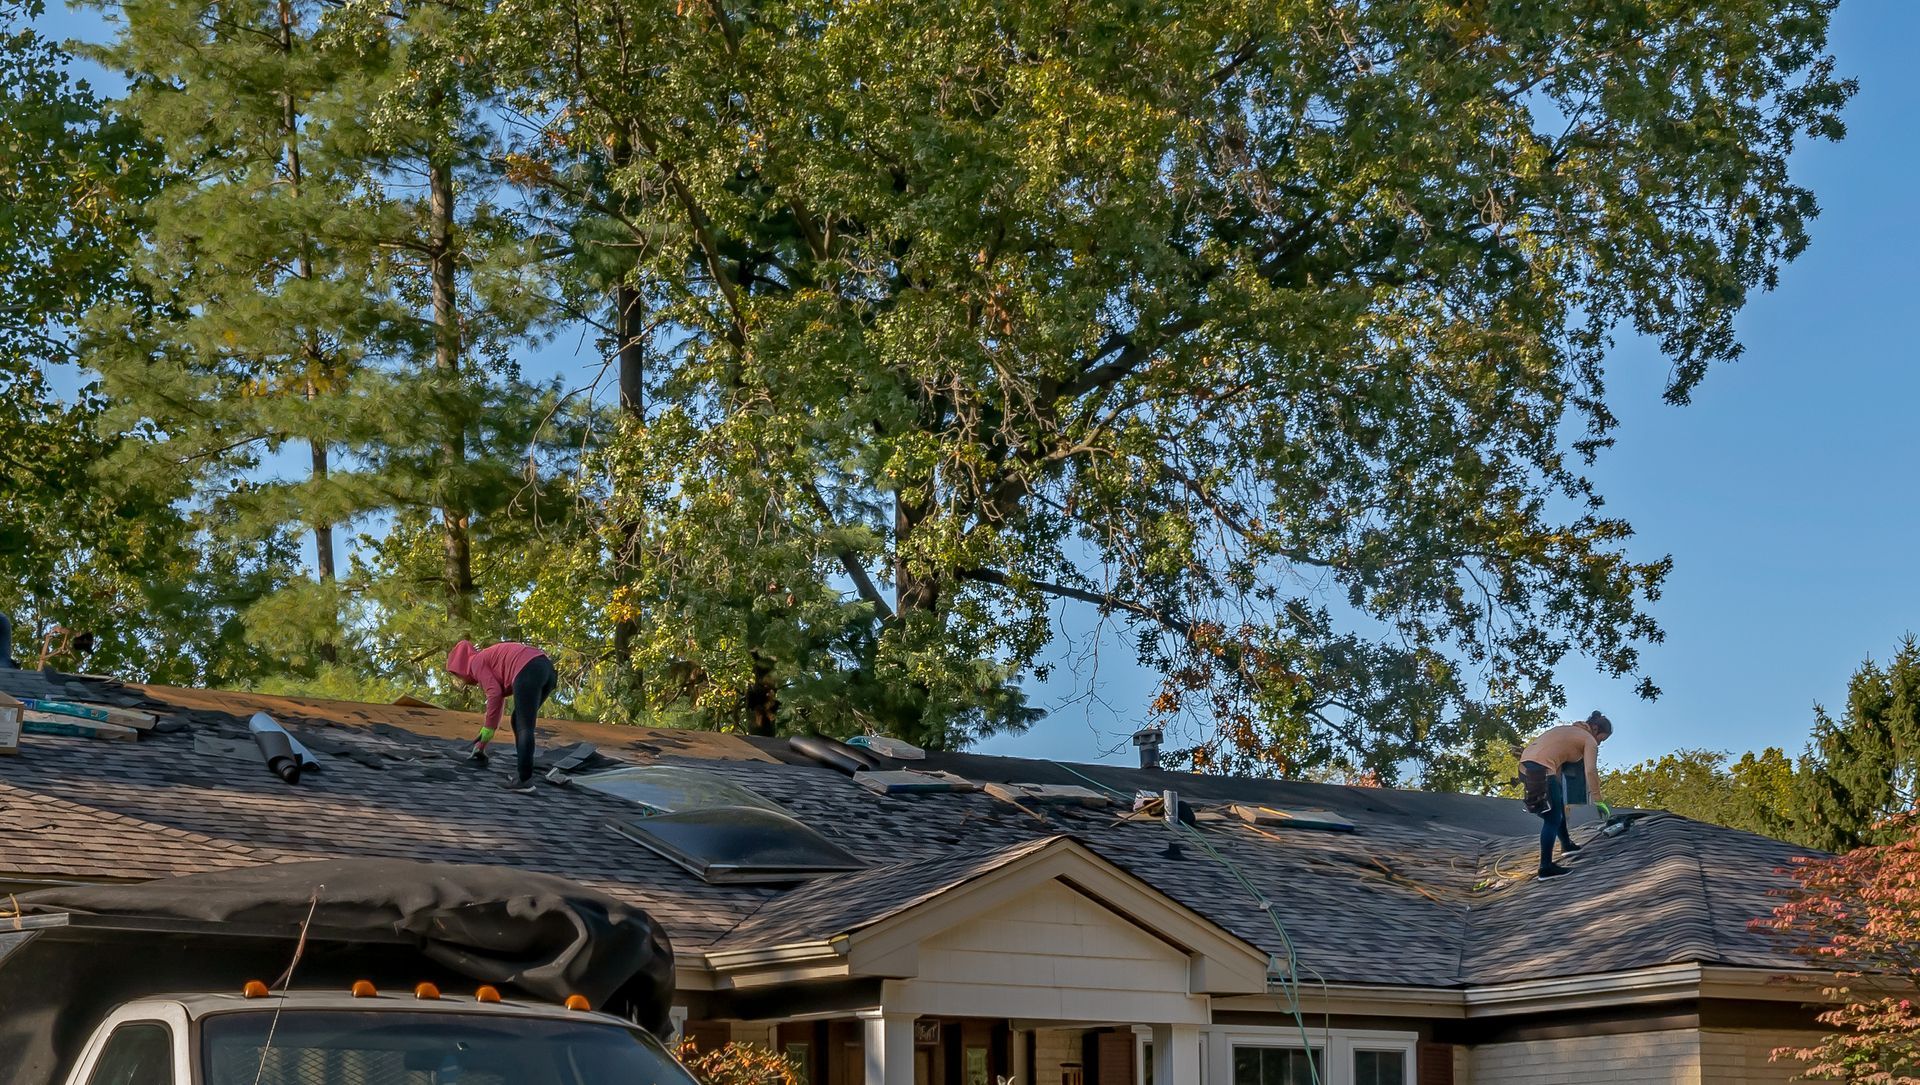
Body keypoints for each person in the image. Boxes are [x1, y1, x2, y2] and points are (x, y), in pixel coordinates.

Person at [446, 639, 557, 793]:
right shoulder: (486, 658)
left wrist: (488, 729)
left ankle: (525, 781)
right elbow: (498, 697)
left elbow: (494, 694)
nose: (462, 680)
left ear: (461, 666)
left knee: (524, 725)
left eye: (458, 675)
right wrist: (482, 744)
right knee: (517, 719)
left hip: (529, 668)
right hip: (546, 669)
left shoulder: (476, 663)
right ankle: (522, 774)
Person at [1517, 711, 1614, 879]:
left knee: (1558, 804)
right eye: (1602, 739)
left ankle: (1567, 845)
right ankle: (1545, 867)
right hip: (1542, 769)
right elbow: (1590, 770)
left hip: (1525, 768)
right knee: (1552, 818)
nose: (1599, 742)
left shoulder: (1565, 730)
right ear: (1595, 729)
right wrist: (1598, 800)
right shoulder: (1589, 739)